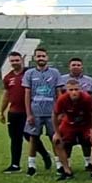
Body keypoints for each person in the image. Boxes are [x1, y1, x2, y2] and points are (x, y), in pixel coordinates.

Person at [23, 47, 62, 176]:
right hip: (36, 112)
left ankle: (59, 165)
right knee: (33, 138)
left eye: (43, 56)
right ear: (35, 58)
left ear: (47, 58)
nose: (41, 58)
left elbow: (59, 93)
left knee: (55, 138)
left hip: (52, 112)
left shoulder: (55, 72)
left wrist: (60, 111)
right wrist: (28, 114)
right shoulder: (29, 73)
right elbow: (27, 94)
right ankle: (31, 165)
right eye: (38, 56)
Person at [52, 79, 92, 181]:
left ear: (80, 89)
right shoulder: (62, 99)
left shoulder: (86, 98)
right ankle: (66, 171)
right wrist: (57, 133)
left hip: (85, 125)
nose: (74, 92)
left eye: (76, 89)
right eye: (71, 90)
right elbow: (55, 114)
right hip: (69, 124)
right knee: (56, 141)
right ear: (66, 90)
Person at [57, 57, 92, 171]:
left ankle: (88, 162)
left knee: (87, 141)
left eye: (78, 65)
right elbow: (59, 96)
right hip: (68, 118)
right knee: (66, 141)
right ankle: (66, 165)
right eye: (73, 65)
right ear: (69, 66)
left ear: (82, 66)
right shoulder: (61, 80)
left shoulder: (90, 81)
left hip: (85, 118)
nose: (76, 67)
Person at [0, 51, 27, 173]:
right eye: (12, 61)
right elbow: (6, 95)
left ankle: (44, 155)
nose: (15, 63)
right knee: (15, 139)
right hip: (14, 112)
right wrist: (2, 111)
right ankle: (15, 165)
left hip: (27, 112)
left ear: (22, 60)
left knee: (30, 136)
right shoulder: (8, 77)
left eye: (17, 60)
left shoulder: (29, 74)